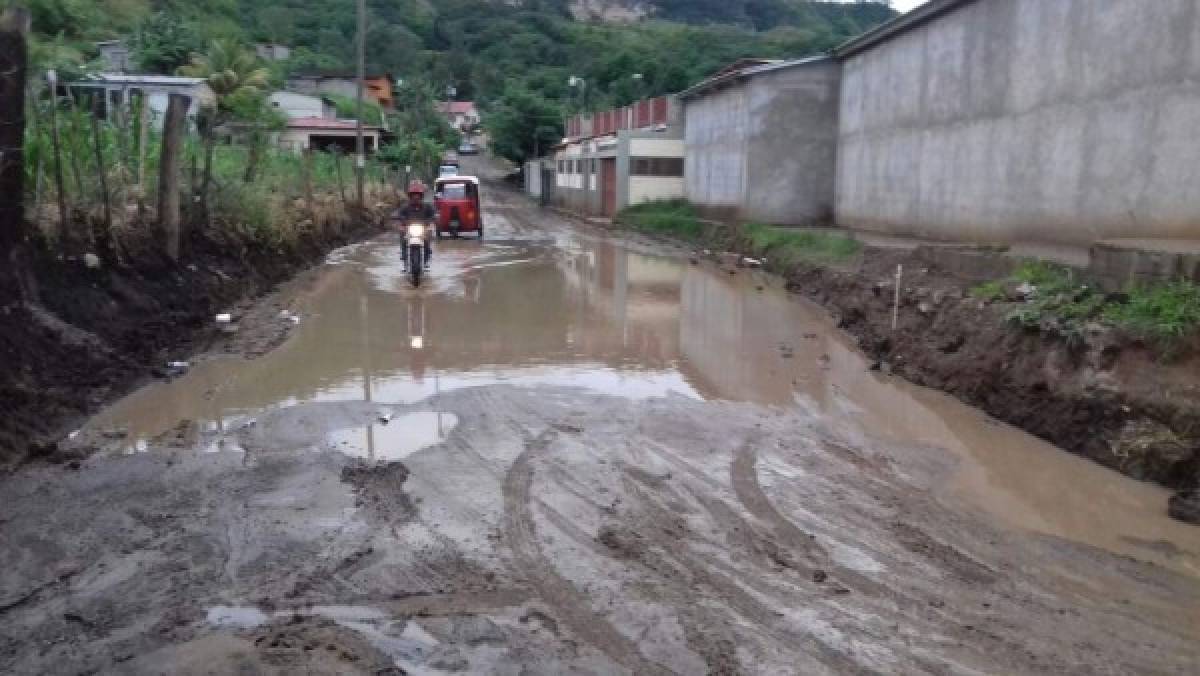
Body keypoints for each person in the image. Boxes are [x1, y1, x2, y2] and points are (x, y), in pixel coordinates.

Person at [391, 180, 435, 268]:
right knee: (402, 233)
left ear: (421, 196)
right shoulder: (405, 207)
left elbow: (433, 214)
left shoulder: (427, 207)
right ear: (410, 196)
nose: (416, 197)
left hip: (423, 229)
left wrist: (432, 220)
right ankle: (404, 254)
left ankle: (426, 256)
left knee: (428, 235)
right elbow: (398, 214)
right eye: (413, 195)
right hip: (408, 229)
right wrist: (399, 219)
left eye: (417, 195)